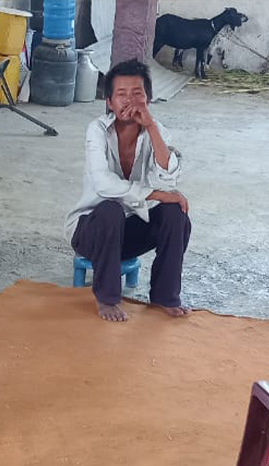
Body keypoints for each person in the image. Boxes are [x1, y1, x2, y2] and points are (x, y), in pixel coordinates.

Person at [67, 58, 192, 323]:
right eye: (121, 95)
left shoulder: (158, 133)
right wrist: (155, 194)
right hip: (91, 231)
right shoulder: (98, 130)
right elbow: (103, 184)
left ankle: (165, 296)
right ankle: (107, 298)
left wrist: (151, 126)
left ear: (148, 99)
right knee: (111, 209)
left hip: (128, 234)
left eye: (137, 94)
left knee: (175, 213)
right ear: (109, 102)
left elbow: (169, 181)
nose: (129, 101)